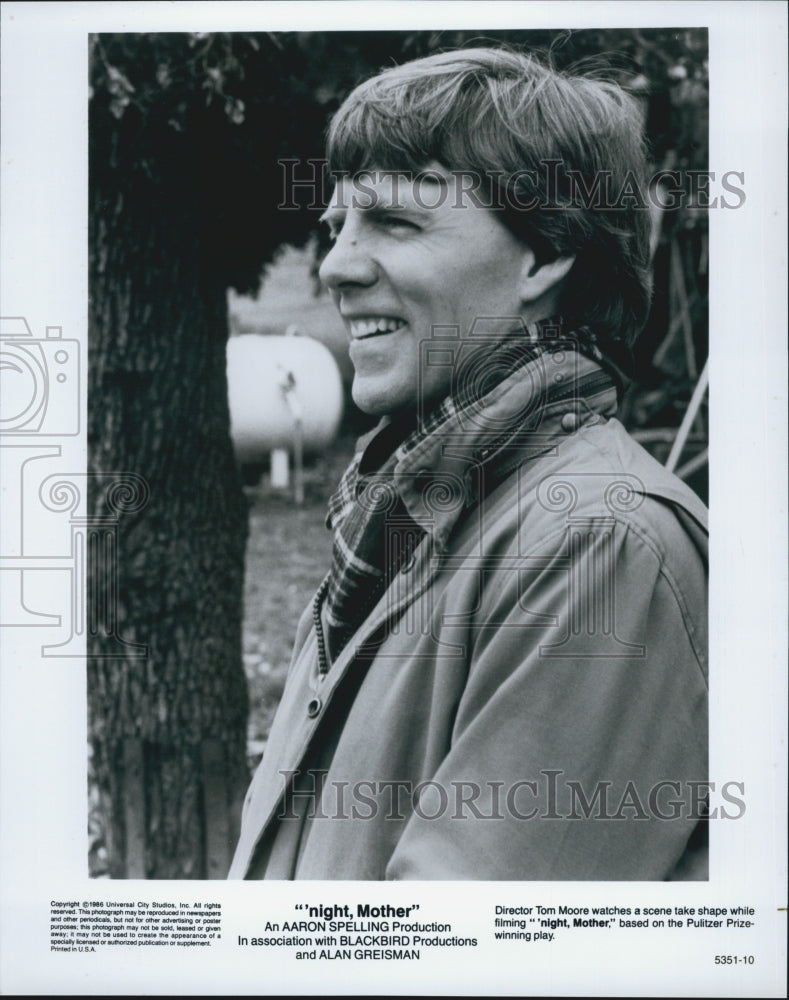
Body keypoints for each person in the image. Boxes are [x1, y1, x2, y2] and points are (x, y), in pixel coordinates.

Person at [229, 47, 708, 880]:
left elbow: (456, 952)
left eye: (396, 221)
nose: (337, 263)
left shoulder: (597, 545)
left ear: (542, 256)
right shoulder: (396, 512)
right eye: (337, 223)